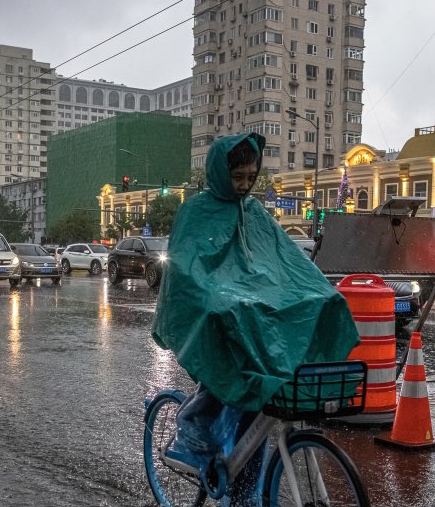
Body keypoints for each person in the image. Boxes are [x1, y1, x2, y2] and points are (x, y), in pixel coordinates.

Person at [151, 132, 360, 464]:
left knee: (304, 318)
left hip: (247, 300)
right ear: (221, 173)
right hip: (206, 306)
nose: (245, 185)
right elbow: (188, 266)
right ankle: (191, 429)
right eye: (237, 177)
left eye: (251, 177)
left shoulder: (254, 212)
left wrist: (319, 289)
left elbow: (285, 259)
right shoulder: (196, 211)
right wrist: (218, 295)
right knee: (229, 357)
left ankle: (245, 492)